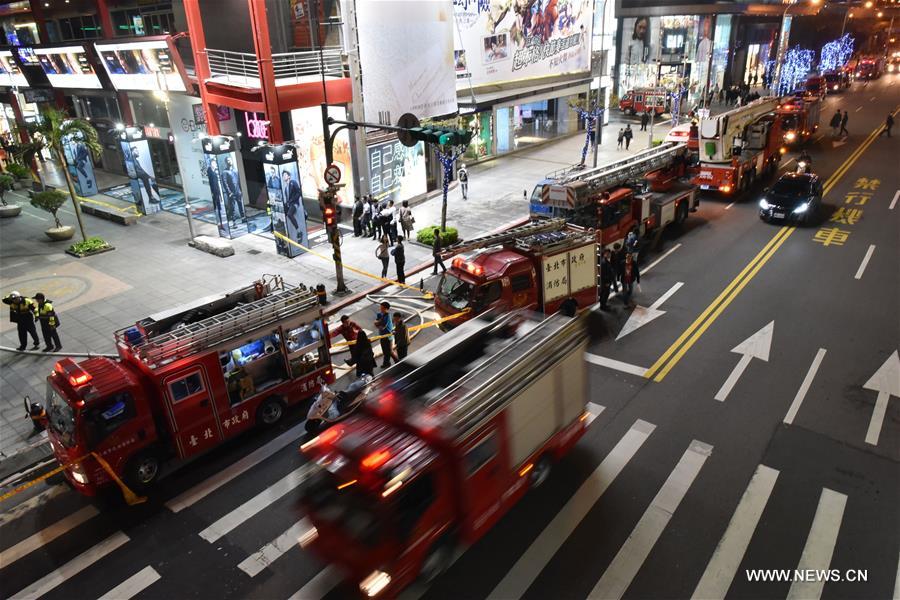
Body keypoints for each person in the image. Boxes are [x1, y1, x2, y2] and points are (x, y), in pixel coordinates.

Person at [374, 301, 395, 368]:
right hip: (382, 335)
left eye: (382, 308)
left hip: (388, 336)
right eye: (381, 307)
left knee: (390, 351)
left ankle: (397, 361)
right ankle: (386, 363)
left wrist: (377, 323)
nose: (381, 309)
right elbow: (376, 323)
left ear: (386, 309)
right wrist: (378, 323)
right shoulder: (379, 314)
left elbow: (383, 326)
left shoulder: (387, 315)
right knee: (385, 351)